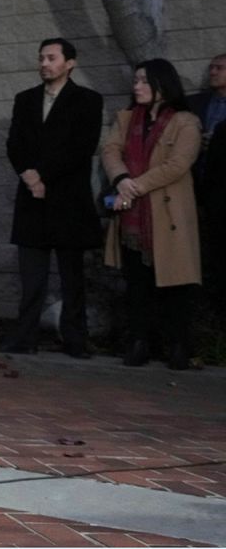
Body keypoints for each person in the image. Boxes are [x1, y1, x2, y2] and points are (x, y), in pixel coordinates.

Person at [0, 38, 104, 357]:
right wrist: (29, 176)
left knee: (72, 277)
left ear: (70, 63)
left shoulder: (88, 100)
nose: (44, 63)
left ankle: (75, 339)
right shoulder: (25, 99)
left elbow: (81, 148)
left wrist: (41, 175)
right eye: (41, 58)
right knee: (31, 277)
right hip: (32, 200)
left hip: (69, 200)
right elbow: (15, 144)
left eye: (52, 58)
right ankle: (25, 337)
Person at [101, 58, 202, 370]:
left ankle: (178, 346)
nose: (137, 86)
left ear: (162, 84)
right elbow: (110, 151)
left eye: (144, 81)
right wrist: (120, 180)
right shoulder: (127, 118)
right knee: (137, 284)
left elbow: (177, 165)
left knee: (175, 286)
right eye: (136, 81)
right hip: (134, 218)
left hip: (167, 215)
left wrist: (133, 187)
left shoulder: (186, 121)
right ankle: (139, 343)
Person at [188, 54, 226, 309]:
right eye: (211, 67)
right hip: (195, 185)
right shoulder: (196, 104)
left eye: (219, 68)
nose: (212, 72)